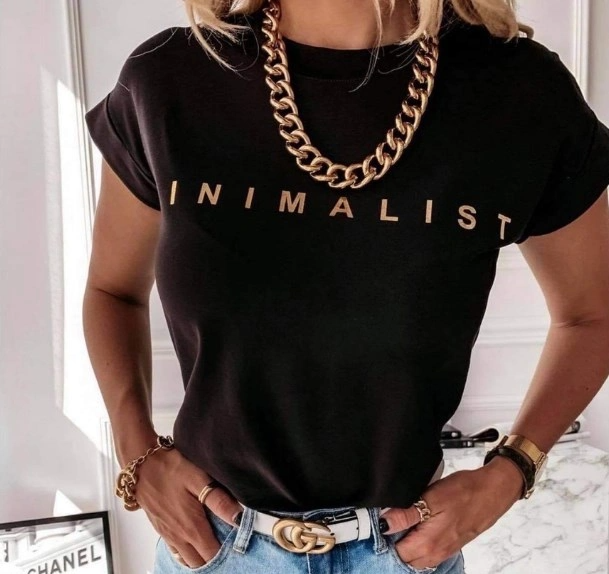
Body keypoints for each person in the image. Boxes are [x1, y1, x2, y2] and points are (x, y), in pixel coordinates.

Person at [82, 0, 609, 572]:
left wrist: (513, 470)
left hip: (408, 549)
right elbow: (113, 291)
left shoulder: (519, 92)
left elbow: (593, 314)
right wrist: (137, 453)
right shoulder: (170, 78)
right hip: (214, 546)